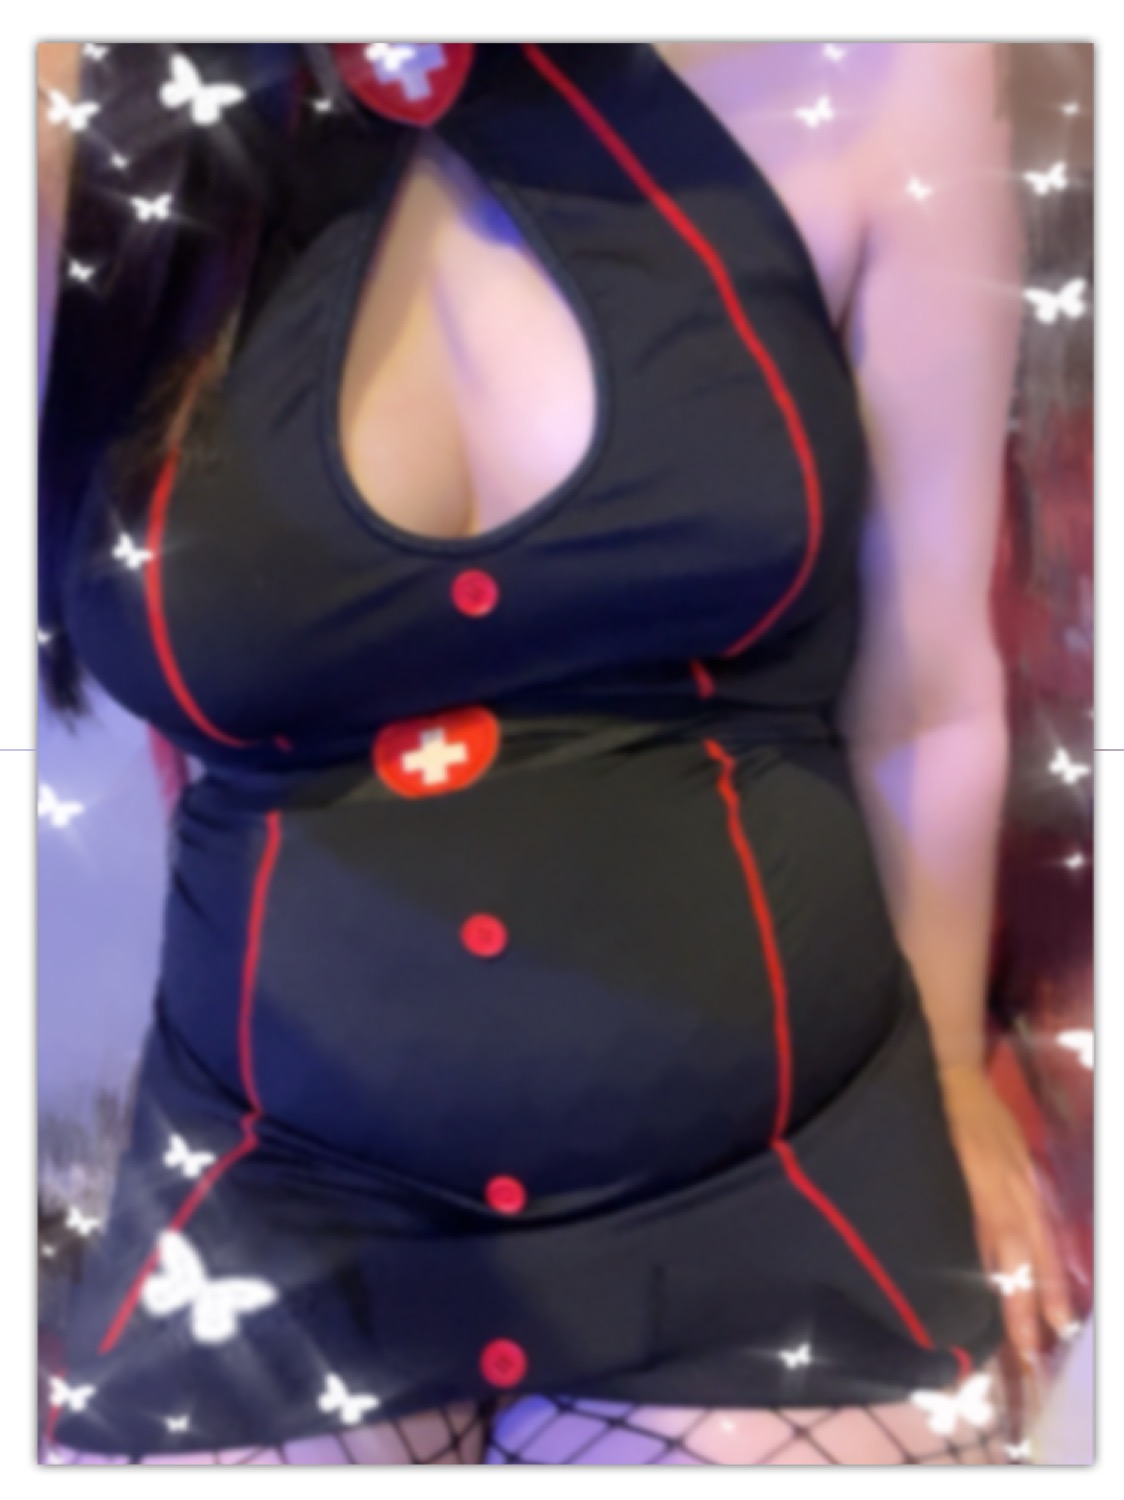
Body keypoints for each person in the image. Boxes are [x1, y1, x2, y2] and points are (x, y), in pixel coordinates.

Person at [38, 41, 1075, 1466]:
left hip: (779, 1174)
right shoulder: (101, 103)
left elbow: (929, 688)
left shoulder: (885, 72)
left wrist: (952, 1070)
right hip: (269, 1187)